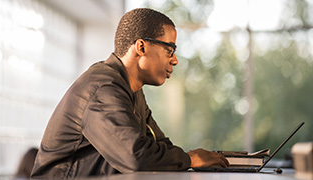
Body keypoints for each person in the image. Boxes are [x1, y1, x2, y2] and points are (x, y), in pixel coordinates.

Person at [31, 8, 229, 179]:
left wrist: (196, 159)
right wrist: (191, 158)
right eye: (170, 50)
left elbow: (158, 144)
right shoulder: (103, 88)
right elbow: (135, 156)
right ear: (141, 47)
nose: (175, 60)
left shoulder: (130, 89)